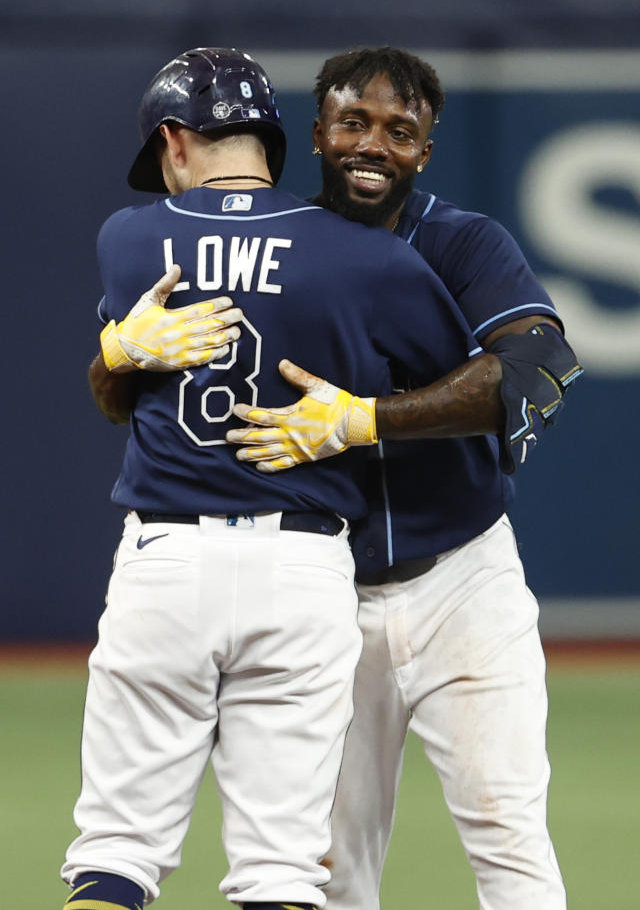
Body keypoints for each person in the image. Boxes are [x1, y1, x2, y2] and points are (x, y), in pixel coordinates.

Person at [61, 46, 483, 910]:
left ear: (176, 141)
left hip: (166, 560)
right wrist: (364, 410)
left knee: (115, 851)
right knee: (282, 870)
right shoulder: (364, 256)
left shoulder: (130, 239)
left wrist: (116, 348)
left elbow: (117, 395)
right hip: (302, 573)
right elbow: (467, 382)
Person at [228, 47, 581, 910]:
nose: (372, 145)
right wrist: (118, 356)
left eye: (399, 130)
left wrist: (366, 417)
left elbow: (533, 365)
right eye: (353, 122)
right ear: (317, 133)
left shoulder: (462, 243)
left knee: (508, 832)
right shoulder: (274, 254)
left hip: (464, 577)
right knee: (328, 865)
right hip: (322, 596)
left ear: (425, 149)